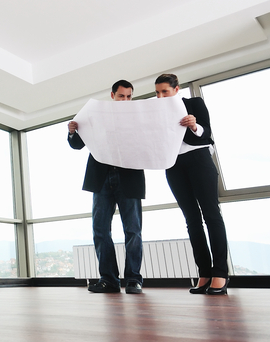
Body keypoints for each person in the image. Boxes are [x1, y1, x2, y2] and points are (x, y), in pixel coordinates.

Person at [155, 73, 229, 295]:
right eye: (157, 92)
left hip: (198, 159)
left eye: (164, 91)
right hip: (173, 164)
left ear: (176, 90)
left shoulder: (193, 103)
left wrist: (194, 125)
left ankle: (221, 274)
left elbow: (206, 132)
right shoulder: (155, 113)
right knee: (191, 219)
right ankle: (204, 272)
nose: (160, 96)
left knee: (211, 215)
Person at [67, 80, 144, 294]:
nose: (125, 100)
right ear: (112, 95)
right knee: (100, 230)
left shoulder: (139, 117)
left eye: (129, 96)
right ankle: (108, 280)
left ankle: (133, 280)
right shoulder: (96, 114)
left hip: (129, 177)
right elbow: (77, 144)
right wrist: (73, 131)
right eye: (121, 96)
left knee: (133, 230)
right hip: (101, 177)